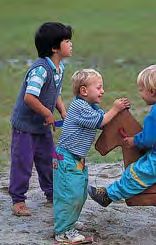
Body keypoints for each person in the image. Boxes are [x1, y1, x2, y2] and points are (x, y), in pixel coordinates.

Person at [88, 64, 156, 207]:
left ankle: (108, 195)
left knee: (135, 172)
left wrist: (134, 141)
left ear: (151, 91)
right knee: (144, 162)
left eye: (141, 90)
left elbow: (148, 139)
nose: (140, 93)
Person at [53, 68, 130, 243]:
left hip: (76, 160)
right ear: (84, 91)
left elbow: (103, 121)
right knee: (69, 195)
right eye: (99, 87)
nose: (102, 91)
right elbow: (100, 121)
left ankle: (69, 222)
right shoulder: (79, 106)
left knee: (79, 194)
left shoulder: (90, 107)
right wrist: (116, 108)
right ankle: (63, 232)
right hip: (66, 159)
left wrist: (117, 114)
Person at [9, 22, 72, 216]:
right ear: (54, 48)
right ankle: (18, 199)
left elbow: (55, 93)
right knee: (23, 161)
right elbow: (29, 97)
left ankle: (52, 193)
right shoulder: (40, 70)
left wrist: (62, 111)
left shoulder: (58, 67)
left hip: (42, 126)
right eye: (67, 41)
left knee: (49, 159)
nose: (71, 44)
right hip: (26, 127)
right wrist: (47, 113)